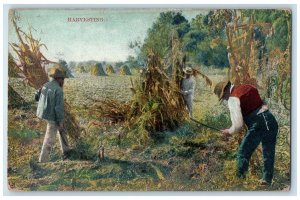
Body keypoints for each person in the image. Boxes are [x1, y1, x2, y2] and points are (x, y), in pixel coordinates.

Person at [214, 81, 278, 185]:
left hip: (259, 124)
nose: (225, 99)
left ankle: (239, 181)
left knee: (243, 153)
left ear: (226, 90)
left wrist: (229, 131)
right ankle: (267, 180)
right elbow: (261, 103)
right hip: (270, 120)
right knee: (268, 152)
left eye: (223, 96)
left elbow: (238, 125)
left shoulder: (233, 99)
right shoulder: (247, 86)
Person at [37, 65, 69, 163]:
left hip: (42, 113)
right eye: (62, 79)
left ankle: (67, 152)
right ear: (58, 79)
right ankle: (43, 160)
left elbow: (36, 96)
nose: (63, 81)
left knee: (62, 130)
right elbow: (58, 108)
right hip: (51, 116)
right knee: (50, 137)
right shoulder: (59, 90)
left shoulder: (46, 85)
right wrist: (60, 121)